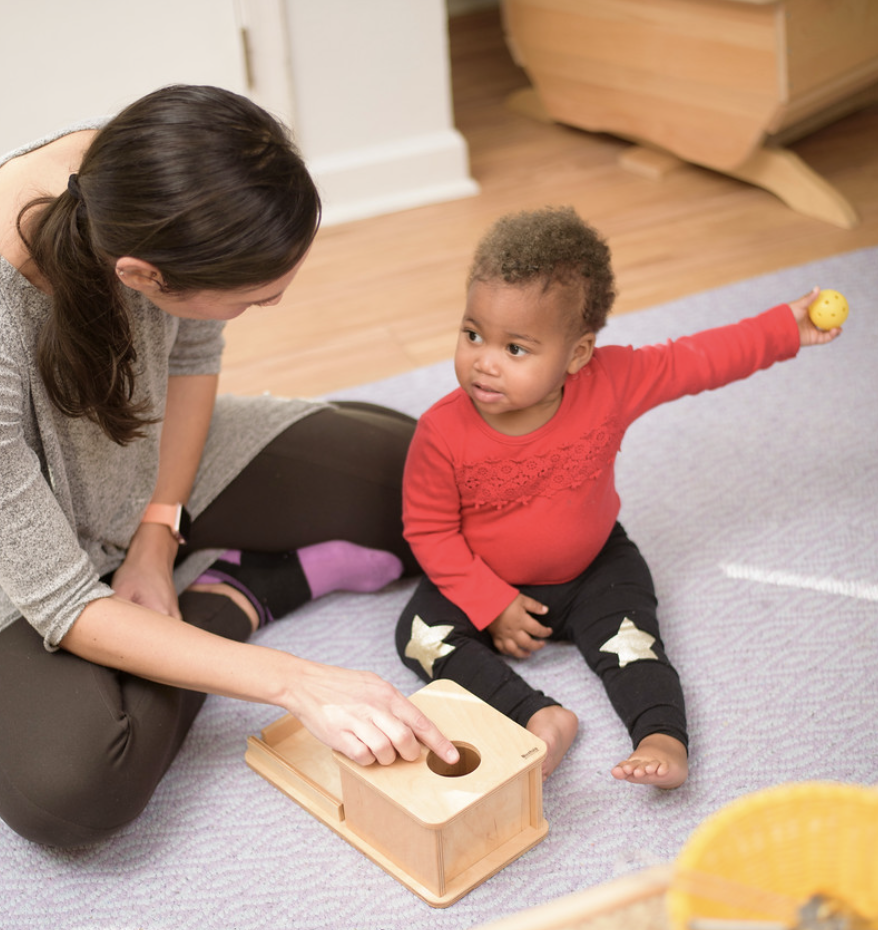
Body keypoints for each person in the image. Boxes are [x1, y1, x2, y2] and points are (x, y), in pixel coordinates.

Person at [0, 84, 458, 848]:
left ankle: (184, 576)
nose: (270, 309)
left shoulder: (123, 169)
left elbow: (194, 353)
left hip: (136, 462)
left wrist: (157, 531)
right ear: (142, 274)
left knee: (432, 482)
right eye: (253, 301)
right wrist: (300, 681)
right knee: (76, 793)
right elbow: (63, 601)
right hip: (20, 564)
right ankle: (239, 595)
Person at [395, 206, 842, 787]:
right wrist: (490, 603)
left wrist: (786, 327)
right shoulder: (441, 432)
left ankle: (661, 737)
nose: (484, 362)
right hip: (486, 577)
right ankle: (537, 713)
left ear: (577, 354)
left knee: (635, 646)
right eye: (473, 334)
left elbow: (697, 360)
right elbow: (429, 531)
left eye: (516, 349)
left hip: (594, 569)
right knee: (417, 635)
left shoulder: (611, 380)